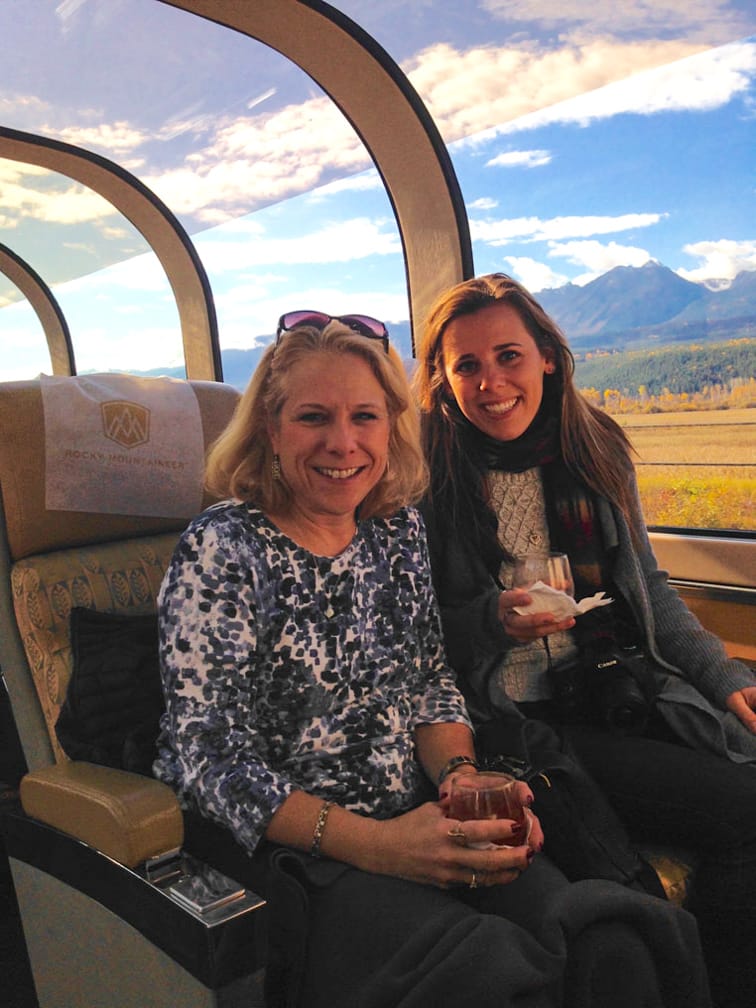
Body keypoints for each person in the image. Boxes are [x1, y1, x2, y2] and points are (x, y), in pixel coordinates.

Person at [155, 313, 709, 1008]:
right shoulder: (223, 546)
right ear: (269, 428)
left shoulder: (393, 528)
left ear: (391, 426)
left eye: (365, 416)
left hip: (418, 812)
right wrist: (378, 846)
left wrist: (461, 779)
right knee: (499, 977)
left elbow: (429, 682)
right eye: (313, 418)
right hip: (298, 847)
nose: (343, 443)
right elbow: (210, 756)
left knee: (613, 948)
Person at [414, 272, 756, 1008]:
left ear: (546, 357)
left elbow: (651, 595)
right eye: (466, 365)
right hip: (524, 727)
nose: (491, 382)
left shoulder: (594, 449)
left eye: (508, 356)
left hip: (619, 688)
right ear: (442, 381)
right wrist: (491, 622)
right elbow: (410, 639)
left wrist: (726, 679)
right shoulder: (425, 479)